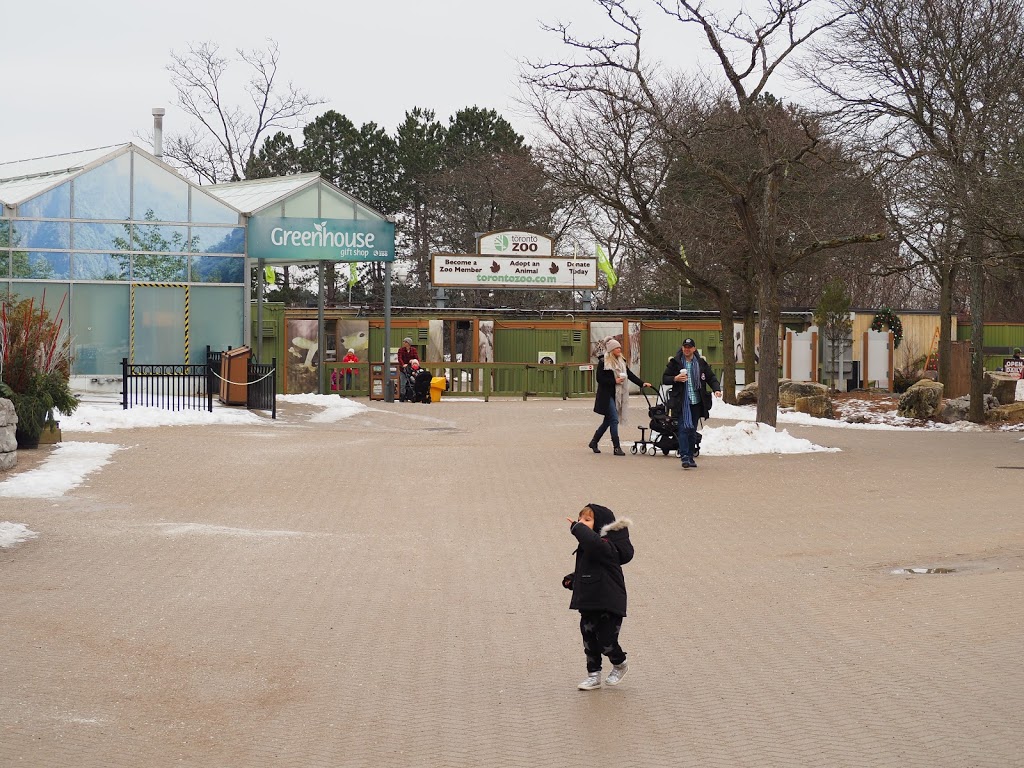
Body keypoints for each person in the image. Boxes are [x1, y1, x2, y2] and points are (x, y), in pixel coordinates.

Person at [562, 503, 634, 691]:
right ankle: (593, 675)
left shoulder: (607, 546)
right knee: (589, 640)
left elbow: (595, 544)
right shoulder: (589, 547)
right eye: (580, 519)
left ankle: (620, 664)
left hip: (609, 602)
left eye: (587, 520)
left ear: (600, 524)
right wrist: (573, 580)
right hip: (589, 602)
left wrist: (577, 528)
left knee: (606, 639)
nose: (581, 523)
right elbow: (590, 570)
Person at [662, 337, 722, 469]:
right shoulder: (676, 363)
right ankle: (684, 456)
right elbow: (664, 378)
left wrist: (716, 389)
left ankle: (690, 456)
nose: (687, 349)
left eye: (689, 347)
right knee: (683, 428)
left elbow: (711, 378)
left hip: (697, 401)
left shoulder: (701, 363)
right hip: (682, 401)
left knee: (692, 430)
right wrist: (675, 378)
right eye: (685, 347)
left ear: (694, 349)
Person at [589, 339, 650, 456]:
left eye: (620, 348)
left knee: (608, 421)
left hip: (618, 394)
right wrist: (614, 380)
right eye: (617, 348)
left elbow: (629, 374)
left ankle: (594, 441)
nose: (619, 350)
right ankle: (616, 447)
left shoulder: (621, 361)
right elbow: (599, 379)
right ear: (612, 350)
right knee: (614, 419)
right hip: (606, 395)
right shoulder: (604, 362)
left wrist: (641, 383)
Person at [397, 337, 418, 402]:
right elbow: (399, 358)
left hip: (411, 369)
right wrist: (403, 364)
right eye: (404, 342)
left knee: (412, 382)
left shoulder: (413, 350)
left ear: (408, 343)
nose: (404, 343)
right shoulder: (401, 350)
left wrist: (413, 362)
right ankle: (402, 395)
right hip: (403, 369)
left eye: (405, 342)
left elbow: (416, 358)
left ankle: (412, 395)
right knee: (403, 383)